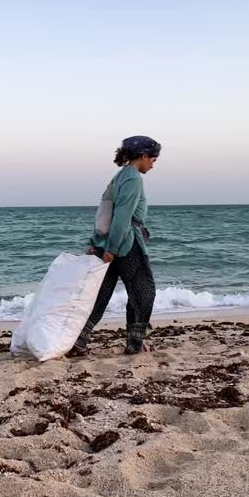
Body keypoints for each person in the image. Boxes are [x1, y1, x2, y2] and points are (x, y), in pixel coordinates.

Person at [69, 135, 161, 357]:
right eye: (153, 158)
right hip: (126, 244)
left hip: (108, 243)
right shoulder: (133, 178)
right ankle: (135, 344)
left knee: (101, 295)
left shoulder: (118, 176)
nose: (153, 164)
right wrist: (113, 248)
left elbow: (103, 212)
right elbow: (121, 217)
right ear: (143, 155)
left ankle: (79, 342)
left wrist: (96, 243)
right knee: (144, 292)